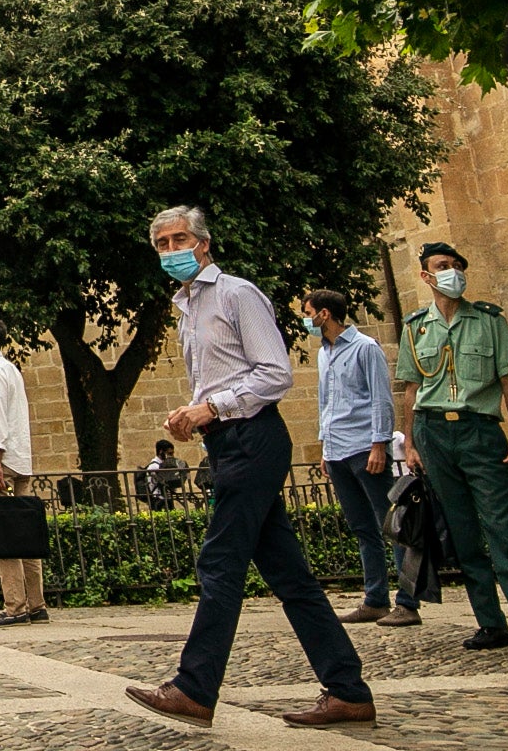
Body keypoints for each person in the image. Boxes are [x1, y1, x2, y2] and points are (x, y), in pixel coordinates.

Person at [124, 207, 373, 730]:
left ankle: (194, 688)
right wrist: (192, 413)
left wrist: (211, 408)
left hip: (252, 440)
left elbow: (274, 374)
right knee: (290, 575)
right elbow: (224, 378)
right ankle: (348, 690)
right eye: (162, 244)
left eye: (180, 240)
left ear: (204, 243)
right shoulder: (187, 306)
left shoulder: (237, 294)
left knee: (219, 563)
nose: (172, 251)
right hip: (228, 440)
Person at [396, 241, 508, 657]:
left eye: (456, 265)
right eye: (442, 266)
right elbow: (411, 388)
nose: (452, 272)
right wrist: (410, 443)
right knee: (463, 534)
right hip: (433, 433)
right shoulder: (415, 325)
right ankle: (490, 623)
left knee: (504, 529)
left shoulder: (488, 320)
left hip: (479, 431)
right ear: (426, 276)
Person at [303, 289, 417, 628]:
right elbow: (326, 402)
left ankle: (407, 602)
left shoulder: (366, 347)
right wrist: (325, 448)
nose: (306, 319)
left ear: (324, 314)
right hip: (338, 449)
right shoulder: (324, 353)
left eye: (308, 312)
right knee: (362, 527)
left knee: (391, 526)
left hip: (364, 448)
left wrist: (379, 444)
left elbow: (381, 398)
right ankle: (375, 599)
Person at [0, 318, 45, 628]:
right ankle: (37, 603)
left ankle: (15, 605)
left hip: (2, 463)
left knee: (3, 533)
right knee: (25, 531)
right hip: (21, 459)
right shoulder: (11, 370)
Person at [141, 438, 189, 508]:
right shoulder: (154, 466)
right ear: (161, 452)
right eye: (169, 453)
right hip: (159, 499)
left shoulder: (164, 465)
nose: (172, 456)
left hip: (166, 498)